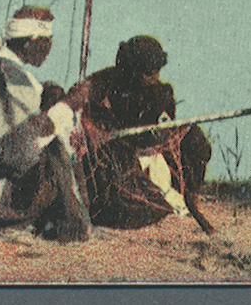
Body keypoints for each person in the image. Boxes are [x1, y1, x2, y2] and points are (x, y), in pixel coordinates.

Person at [0, 5, 92, 241]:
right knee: (54, 151)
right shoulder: (3, 73)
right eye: (47, 40)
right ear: (31, 41)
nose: (50, 47)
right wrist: (67, 107)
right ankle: (72, 230)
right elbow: (20, 152)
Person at [82, 35, 214, 232]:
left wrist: (164, 135)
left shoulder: (162, 92)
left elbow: (165, 130)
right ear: (132, 68)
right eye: (148, 73)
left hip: (150, 153)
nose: (155, 78)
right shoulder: (103, 82)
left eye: (157, 71)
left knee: (195, 138)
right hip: (114, 158)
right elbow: (76, 109)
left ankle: (190, 197)